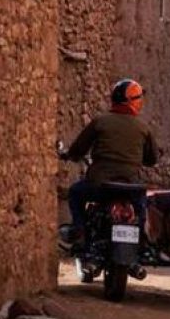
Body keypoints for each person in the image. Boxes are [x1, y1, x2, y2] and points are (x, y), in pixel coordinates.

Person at [61, 79, 158, 238]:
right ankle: (141, 236)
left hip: (100, 185)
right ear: (132, 102)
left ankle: (80, 230)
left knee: (75, 193)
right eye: (139, 98)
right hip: (130, 186)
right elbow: (152, 159)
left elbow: (78, 149)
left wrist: (70, 155)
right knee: (141, 203)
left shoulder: (100, 122)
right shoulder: (144, 128)